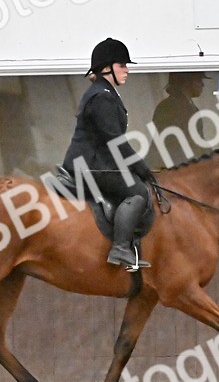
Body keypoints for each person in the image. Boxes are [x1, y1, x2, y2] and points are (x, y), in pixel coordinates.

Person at [62, 38, 155, 271]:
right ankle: (121, 247)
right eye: (122, 65)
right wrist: (140, 166)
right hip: (91, 165)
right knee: (138, 192)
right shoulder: (102, 96)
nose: (127, 70)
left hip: (95, 162)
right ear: (107, 68)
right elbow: (114, 139)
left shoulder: (104, 92)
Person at [150, 71, 211, 167]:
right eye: (198, 80)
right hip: (175, 169)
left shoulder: (189, 107)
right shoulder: (169, 107)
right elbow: (171, 144)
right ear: (187, 82)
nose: (202, 85)